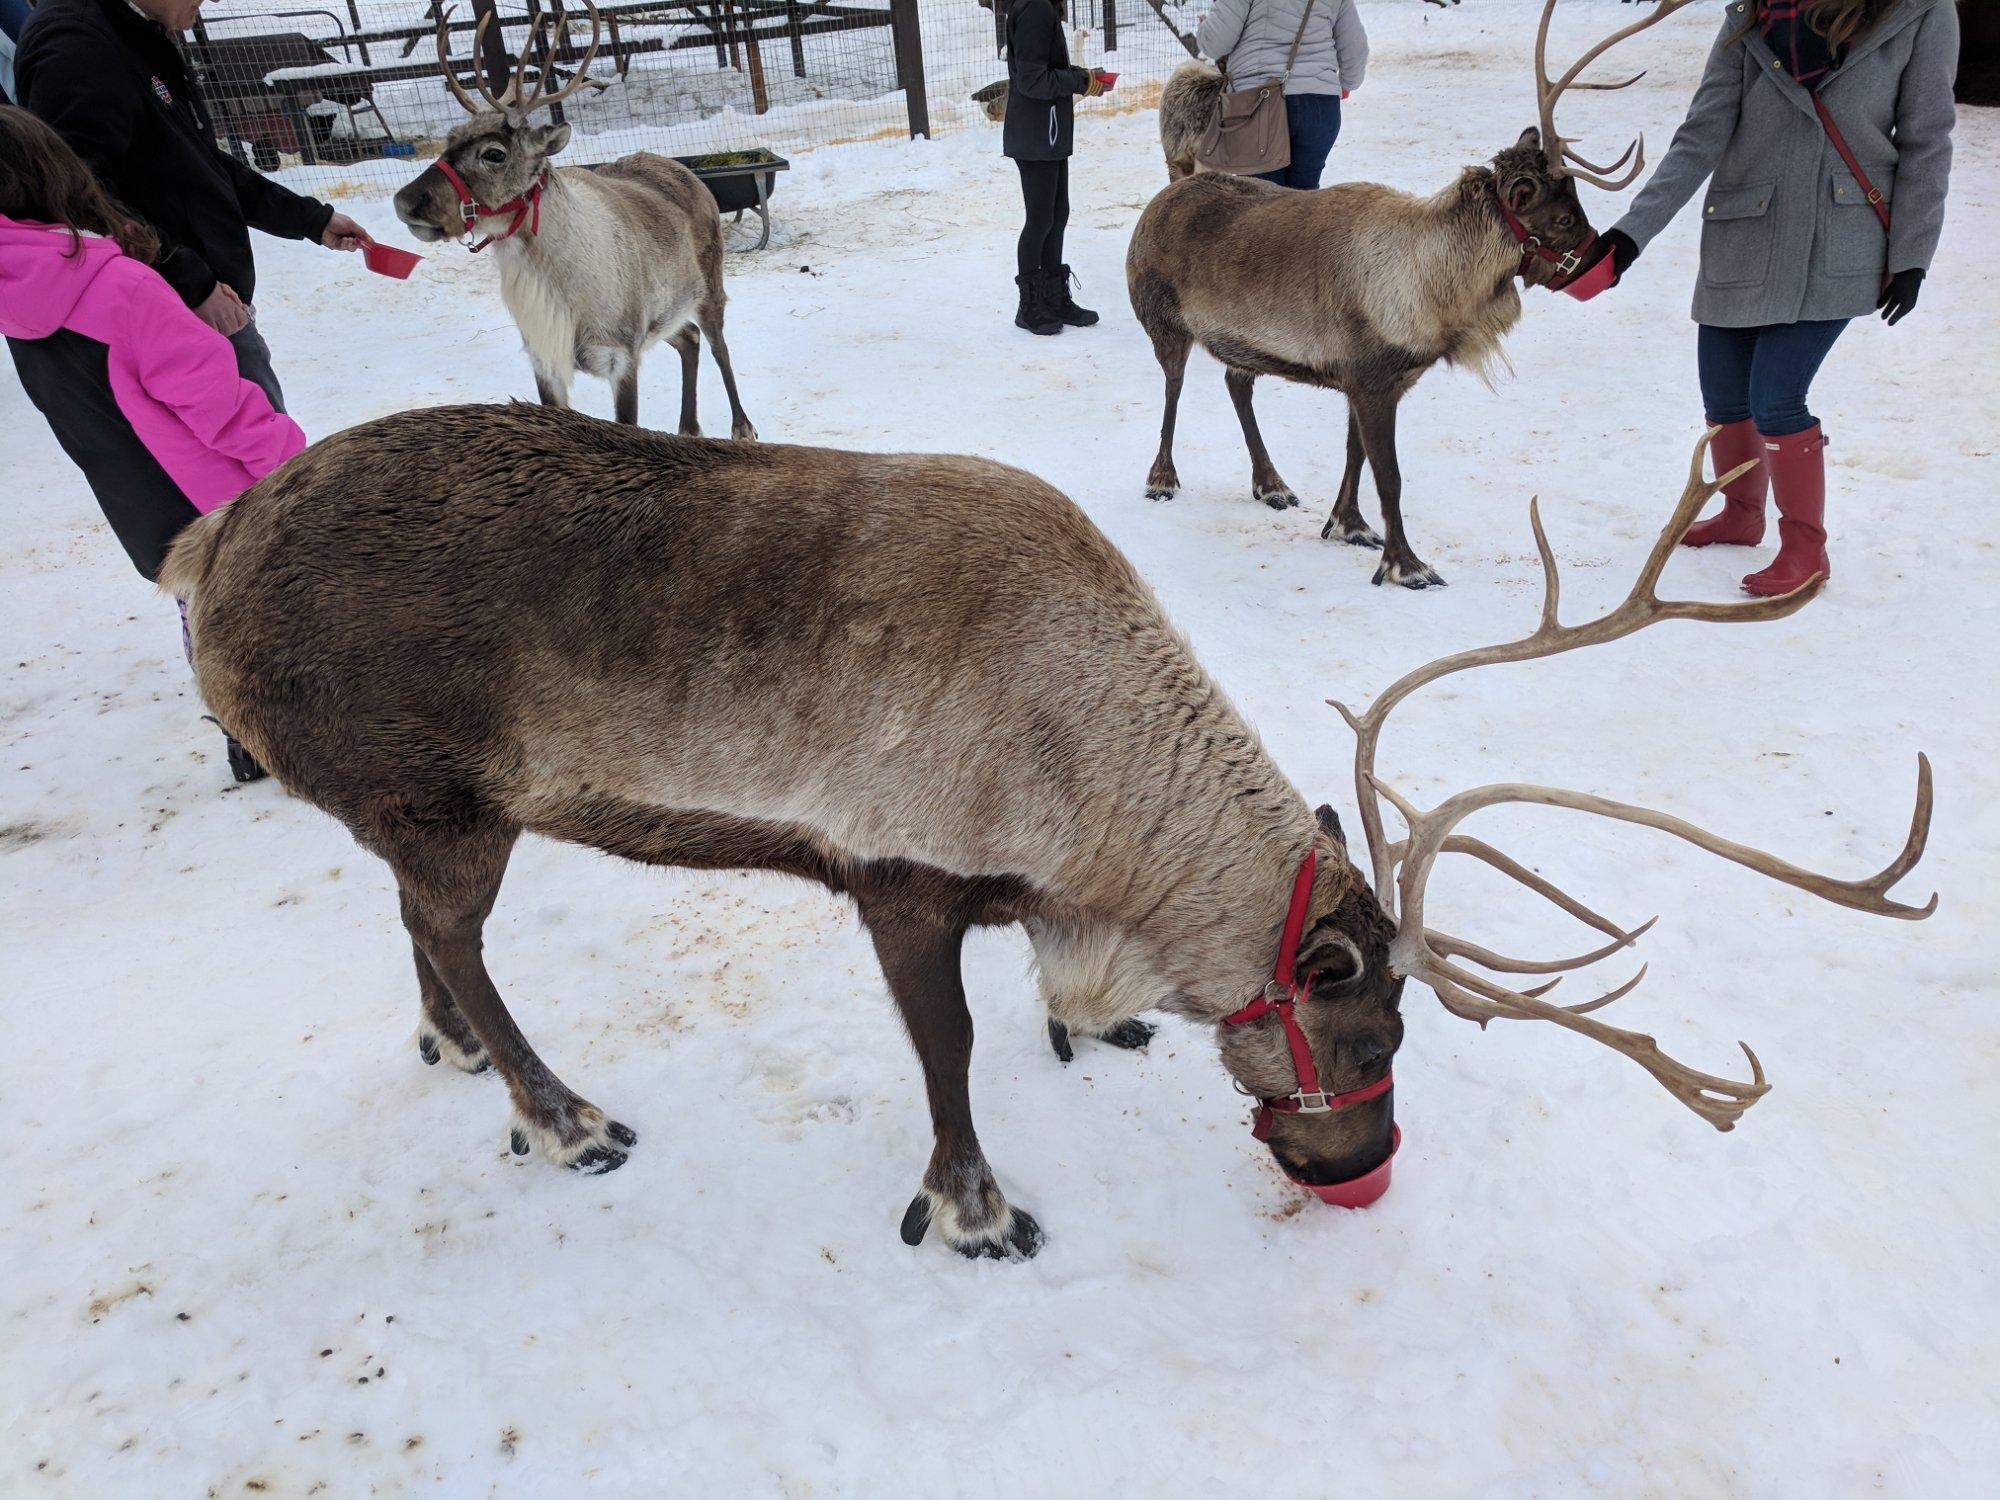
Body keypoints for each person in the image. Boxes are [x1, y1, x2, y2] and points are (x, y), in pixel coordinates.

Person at [1582, 0, 1957, 597]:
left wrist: (1912, 255)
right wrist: (1630, 235)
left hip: (1841, 240)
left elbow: (1926, 140)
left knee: (1777, 396)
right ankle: (1740, 513)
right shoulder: (1753, 14)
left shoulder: (1920, 14)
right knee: (1725, 394)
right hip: (1745, 233)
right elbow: (1701, 134)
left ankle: (1806, 550)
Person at [0, 105, 306, 779]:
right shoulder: (120, 288)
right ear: (56, 176)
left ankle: (244, 729)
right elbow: (219, 405)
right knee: (280, 616)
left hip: (143, 510)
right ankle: (304, 735)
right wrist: (296, 467)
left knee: (204, 610)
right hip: (228, 502)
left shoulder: (15, 297)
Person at [13, 0, 368, 410]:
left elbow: (196, 162)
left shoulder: (135, 31)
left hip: (204, 306)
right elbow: (81, 196)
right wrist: (189, 283)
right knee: (255, 463)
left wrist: (311, 219)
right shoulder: (76, 46)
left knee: (268, 450)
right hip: (176, 320)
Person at [1003, 0, 1104, 337]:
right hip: (1036, 133)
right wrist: (1079, 79)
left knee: (1057, 215)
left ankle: (1052, 297)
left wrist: (1083, 79)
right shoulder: (1035, 8)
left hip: (1048, 132)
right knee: (1040, 220)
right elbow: (1031, 79)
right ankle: (1029, 306)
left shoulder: (1042, 6)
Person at [1196, 0, 1368, 191]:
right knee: (1303, 201)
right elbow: (1355, 46)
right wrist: (1347, 83)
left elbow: (1216, 43)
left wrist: (1205, 29)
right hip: (1319, 106)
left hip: (1257, 105)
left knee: (1259, 201)